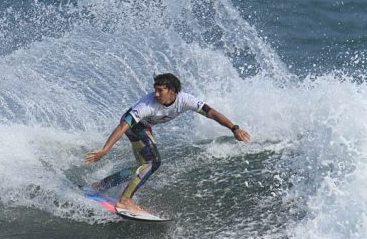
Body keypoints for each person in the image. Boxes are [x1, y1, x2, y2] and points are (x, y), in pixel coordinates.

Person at [85, 73, 251, 212]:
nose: (156, 94)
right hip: (133, 126)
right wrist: (105, 150)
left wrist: (234, 128)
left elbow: (211, 113)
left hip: (145, 126)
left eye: (160, 90)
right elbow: (123, 126)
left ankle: (102, 185)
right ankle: (125, 200)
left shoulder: (185, 100)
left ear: (173, 91)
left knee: (143, 167)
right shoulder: (146, 105)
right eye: (155, 90)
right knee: (153, 162)